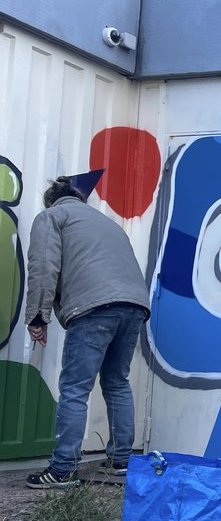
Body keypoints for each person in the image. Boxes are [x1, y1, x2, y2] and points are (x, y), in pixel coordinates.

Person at [23, 176, 150, 489]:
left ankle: (63, 468)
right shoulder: (108, 224)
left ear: (51, 200)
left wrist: (38, 316)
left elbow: (44, 265)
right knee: (117, 382)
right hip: (134, 305)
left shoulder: (51, 217)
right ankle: (122, 461)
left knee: (75, 388)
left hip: (94, 307)